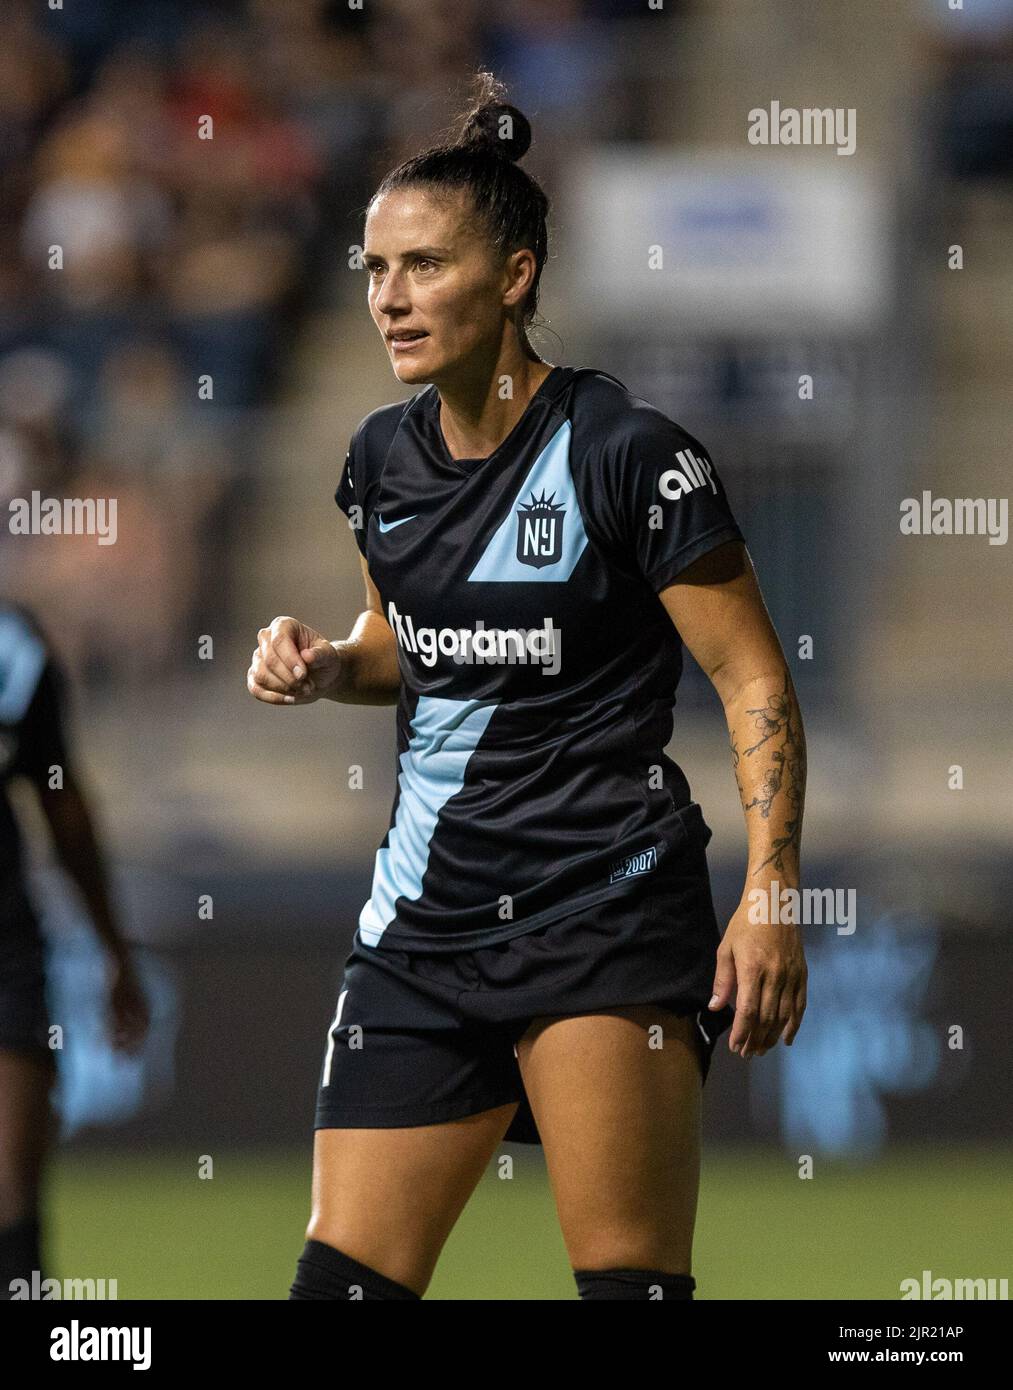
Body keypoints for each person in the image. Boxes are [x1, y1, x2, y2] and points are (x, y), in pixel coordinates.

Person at [248, 72, 808, 1301]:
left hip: (601, 914)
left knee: (625, 1288)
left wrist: (771, 892)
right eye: (374, 268)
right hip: (416, 931)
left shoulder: (627, 455)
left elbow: (749, 671)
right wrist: (328, 663)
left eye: (424, 266)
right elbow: (411, 646)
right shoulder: (375, 460)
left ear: (512, 276)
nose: (388, 298)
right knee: (336, 1289)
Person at [0, 601, 149, 1299]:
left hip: (5, 950)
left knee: (10, 1213)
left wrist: (115, 949)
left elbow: (63, 808)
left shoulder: (14, 649)